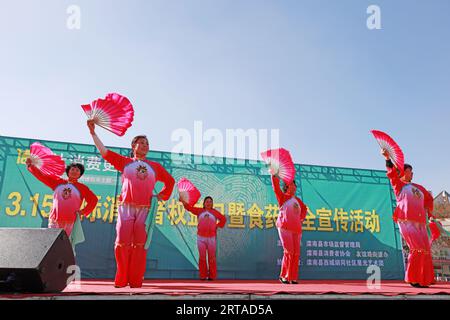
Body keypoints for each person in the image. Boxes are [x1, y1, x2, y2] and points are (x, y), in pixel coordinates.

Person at [87, 120, 175, 288]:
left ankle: (135, 280)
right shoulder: (125, 162)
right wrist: (93, 132)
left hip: (145, 209)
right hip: (126, 208)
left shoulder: (155, 166)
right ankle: (121, 279)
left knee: (140, 245)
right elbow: (104, 151)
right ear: (133, 146)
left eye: (147, 143)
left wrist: (162, 196)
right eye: (141, 143)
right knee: (121, 242)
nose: (145, 146)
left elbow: (170, 182)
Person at [381, 148, 435, 287]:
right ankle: (413, 279)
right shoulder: (399, 185)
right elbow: (392, 174)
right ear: (405, 171)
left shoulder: (419, 188)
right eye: (410, 171)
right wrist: (387, 158)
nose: (412, 174)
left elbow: (428, 200)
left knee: (425, 250)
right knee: (416, 249)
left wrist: (430, 215)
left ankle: (425, 279)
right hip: (406, 220)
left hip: (421, 223)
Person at [26, 159, 98, 237]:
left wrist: (83, 212)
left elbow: (93, 200)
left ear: (80, 174)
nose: (74, 172)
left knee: (65, 244)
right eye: (72, 169)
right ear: (68, 172)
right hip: (54, 219)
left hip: (71, 221)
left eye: (77, 170)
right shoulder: (58, 182)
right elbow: (42, 176)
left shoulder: (83, 188)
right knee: (52, 242)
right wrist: (31, 166)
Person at [271, 175, 307, 284]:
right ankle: (284, 276)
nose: (294, 186)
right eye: (292, 184)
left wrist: (300, 219)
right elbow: (276, 187)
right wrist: (274, 175)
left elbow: (304, 209)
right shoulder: (282, 197)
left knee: (296, 253)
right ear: (287, 186)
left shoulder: (298, 201)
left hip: (296, 229)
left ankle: (292, 277)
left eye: (295, 185)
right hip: (285, 227)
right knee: (289, 252)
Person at [180, 196, 226, 280]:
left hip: (211, 238)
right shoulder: (199, 211)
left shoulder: (215, 212)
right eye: (207, 201)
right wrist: (183, 202)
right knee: (202, 257)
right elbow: (189, 208)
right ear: (204, 203)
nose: (209, 203)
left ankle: (212, 276)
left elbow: (223, 219)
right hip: (201, 238)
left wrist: (217, 226)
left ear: (212, 204)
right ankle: (203, 275)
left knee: (211, 257)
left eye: (210, 202)